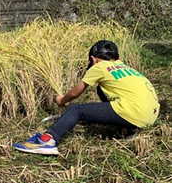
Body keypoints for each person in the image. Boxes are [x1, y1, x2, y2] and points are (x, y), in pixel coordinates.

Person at [13, 40, 160, 155]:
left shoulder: (99, 67)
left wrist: (61, 100)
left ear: (93, 59)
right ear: (118, 58)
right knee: (101, 90)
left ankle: (47, 141)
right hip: (150, 115)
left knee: (76, 110)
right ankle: (127, 129)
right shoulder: (128, 69)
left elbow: (75, 93)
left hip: (133, 111)